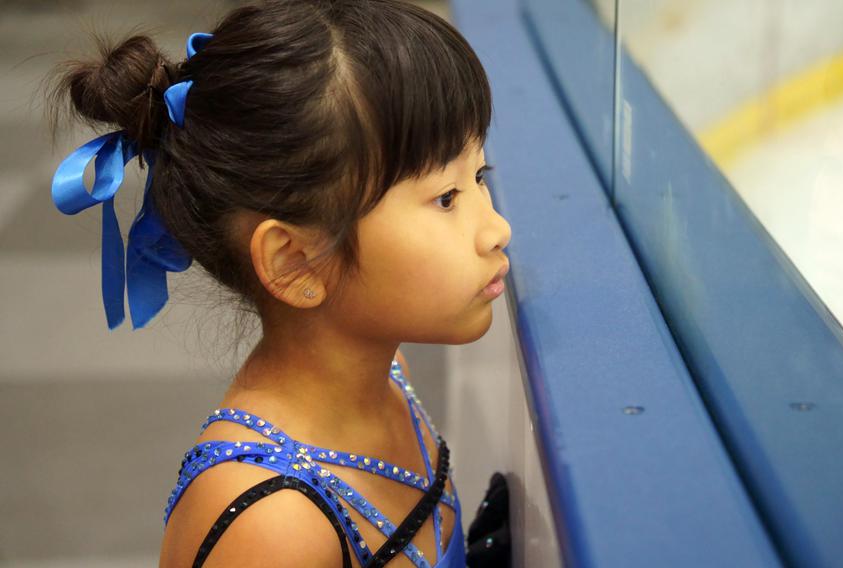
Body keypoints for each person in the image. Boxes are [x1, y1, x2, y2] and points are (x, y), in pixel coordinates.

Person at [45, 0, 512, 566]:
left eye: (479, 176)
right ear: (294, 262)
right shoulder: (270, 522)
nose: (496, 229)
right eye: (446, 198)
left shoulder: (388, 374)